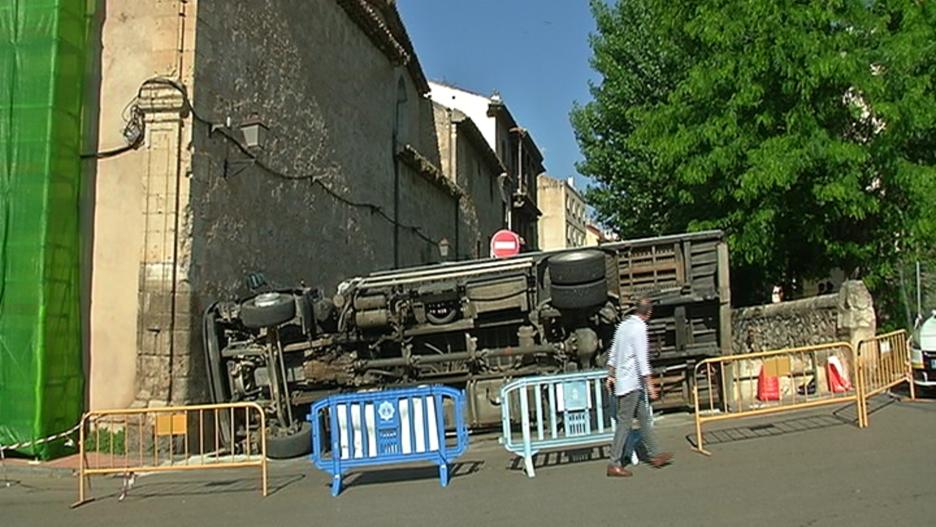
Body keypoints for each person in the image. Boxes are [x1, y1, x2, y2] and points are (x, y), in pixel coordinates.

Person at [605, 298, 673, 477]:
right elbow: (642, 359)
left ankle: (655, 453)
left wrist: (611, 374)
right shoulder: (640, 329)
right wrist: (650, 384)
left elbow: (613, 353)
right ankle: (614, 462)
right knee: (625, 423)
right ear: (649, 313)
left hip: (624, 381)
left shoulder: (624, 326)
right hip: (632, 383)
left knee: (643, 418)